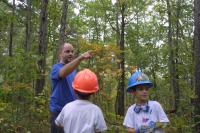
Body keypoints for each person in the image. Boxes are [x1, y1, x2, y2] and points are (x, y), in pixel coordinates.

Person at [50, 43, 93, 133]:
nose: (71, 54)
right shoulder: (56, 68)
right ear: (60, 54)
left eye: (72, 52)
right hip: (59, 110)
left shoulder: (74, 71)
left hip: (72, 111)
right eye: (67, 51)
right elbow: (63, 73)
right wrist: (80, 58)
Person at [55, 69, 107, 133]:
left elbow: (59, 123)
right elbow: (99, 130)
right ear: (93, 92)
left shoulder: (67, 107)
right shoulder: (96, 110)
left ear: (74, 90)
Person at [123, 68, 169, 133]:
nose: (145, 91)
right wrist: (138, 130)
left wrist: (153, 126)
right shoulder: (131, 110)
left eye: (146, 89)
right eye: (141, 89)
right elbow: (128, 129)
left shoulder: (155, 105)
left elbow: (165, 122)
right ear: (134, 92)